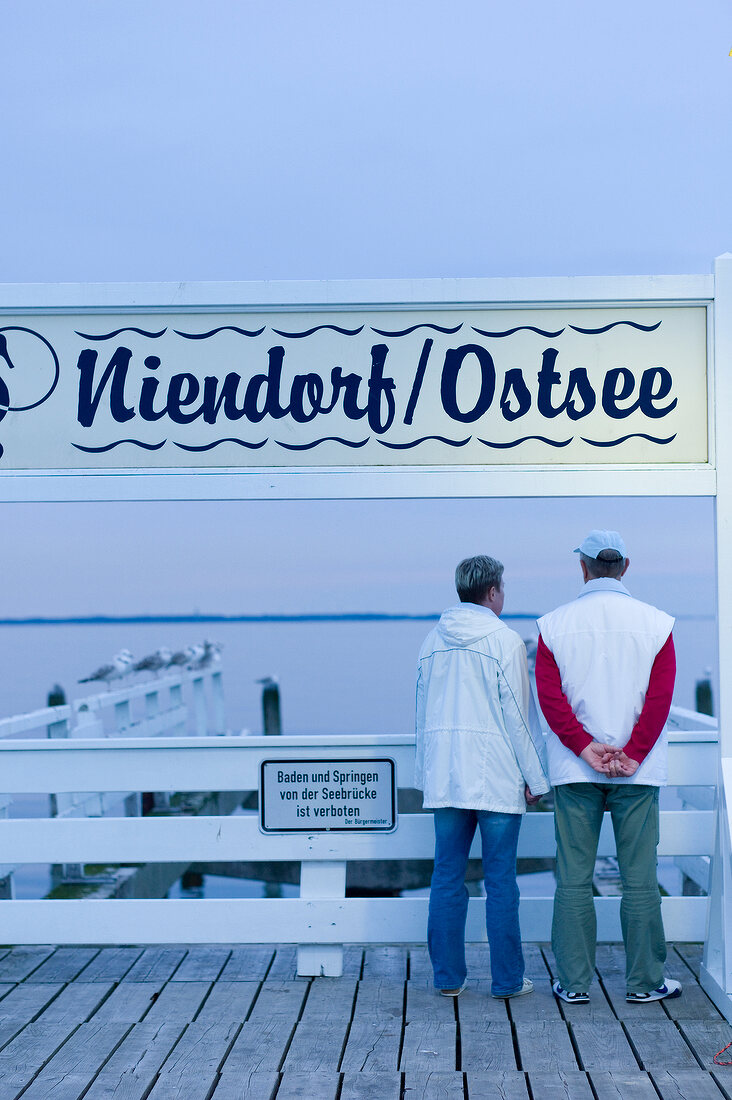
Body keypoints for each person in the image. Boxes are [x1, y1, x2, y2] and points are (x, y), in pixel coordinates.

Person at [535, 530, 682, 1005]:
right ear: (625, 568)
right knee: (640, 879)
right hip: (636, 772)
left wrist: (584, 747)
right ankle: (645, 982)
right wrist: (633, 751)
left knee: (574, 877)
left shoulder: (552, 625)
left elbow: (550, 698)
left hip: (575, 769)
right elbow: (660, 699)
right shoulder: (657, 624)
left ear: (582, 568)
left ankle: (574, 983)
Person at [415, 555, 550, 998]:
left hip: (447, 777)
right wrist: (537, 778)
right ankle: (508, 980)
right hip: (495, 775)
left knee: (446, 876)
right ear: (492, 592)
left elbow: (422, 715)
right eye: (503, 589)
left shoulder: (431, 641)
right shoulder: (505, 641)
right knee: (500, 881)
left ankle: (448, 979)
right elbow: (517, 715)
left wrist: (427, 773)